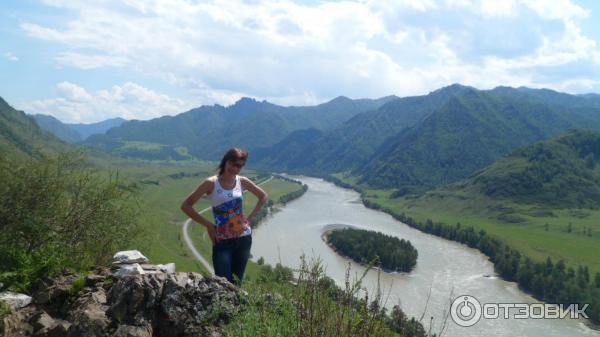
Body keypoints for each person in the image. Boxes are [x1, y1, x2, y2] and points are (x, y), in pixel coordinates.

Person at [180, 148, 268, 285]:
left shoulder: (242, 181)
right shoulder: (211, 183)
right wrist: (208, 225)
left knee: (237, 282)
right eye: (233, 163)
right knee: (223, 284)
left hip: (243, 238)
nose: (235, 168)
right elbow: (186, 205)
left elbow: (263, 196)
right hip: (222, 241)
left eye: (239, 166)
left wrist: (249, 219)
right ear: (225, 161)